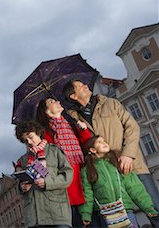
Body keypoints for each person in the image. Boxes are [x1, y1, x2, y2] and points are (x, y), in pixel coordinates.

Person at [62, 79, 159, 218]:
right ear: (73, 96)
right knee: (123, 220)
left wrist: (128, 154)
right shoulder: (74, 118)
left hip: (131, 165)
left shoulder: (110, 103)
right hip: (107, 176)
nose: (85, 85)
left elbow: (132, 127)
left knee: (154, 208)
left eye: (84, 83)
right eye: (80, 86)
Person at [37, 98, 93, 228]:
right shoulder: (45, 133)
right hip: (64, 185)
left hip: (81, 176)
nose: (57, 101)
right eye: (51, 102)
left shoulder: (70, 123)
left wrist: (83, 130)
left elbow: (88, 144)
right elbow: (42, 158)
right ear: (46, 111)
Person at [79, 135, 158, 227]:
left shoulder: (118, 162)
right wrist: (86, 214)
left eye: (104, 141)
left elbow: (134, 187)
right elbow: (87, 193)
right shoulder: (87, 170)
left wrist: (148, 207)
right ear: (92, 150)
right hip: (105, 214)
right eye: (99, 142)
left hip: (126, 210)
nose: (104, 143)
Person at [15, 120, 73, 228]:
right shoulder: (22, 160)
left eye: (31, 137)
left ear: (38, 133)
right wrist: (21, 187)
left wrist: (47, 182)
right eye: (25, 140)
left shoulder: (54, 151)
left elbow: (68, 175)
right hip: (34, 217)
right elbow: (18, 183)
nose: (29, 142)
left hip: (57, 213)